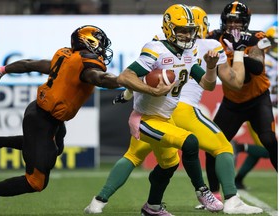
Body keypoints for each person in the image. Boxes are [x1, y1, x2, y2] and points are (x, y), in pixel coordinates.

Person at [85, 5, 262, 215]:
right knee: (201, 143)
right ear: (169, 29)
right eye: (182, 30)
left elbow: (208, 85)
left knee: (164, 163)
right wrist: (150, 89)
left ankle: (127, 205)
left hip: (165, 117)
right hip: (148, 118)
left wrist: (211, 66)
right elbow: (126, 77)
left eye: (190, 30)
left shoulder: (190, 52)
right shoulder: (156, 48)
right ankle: (208, 192)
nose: (188, 35)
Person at [0, 25, 122, 196]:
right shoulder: (84, 65)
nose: (102, 49)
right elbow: (100, 78)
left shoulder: (66, 56)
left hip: (43, 114)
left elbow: (30, 64)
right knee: (35, 182)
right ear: (88, 41)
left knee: (54, 148)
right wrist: (122, 80)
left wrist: (2, 70)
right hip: (41, 121)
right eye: (100, 43)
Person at [204, 0, 278, 200]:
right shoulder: (213, 38)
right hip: (232, 103)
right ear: (223, 21)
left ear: (246, 22)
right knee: (213, 146)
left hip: (257, 100)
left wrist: (239, 50)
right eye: (230, 21)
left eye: (238, 21)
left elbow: (257, 67)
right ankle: (213, 194)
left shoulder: (257, 38)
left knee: (270, 141)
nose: (233, 25)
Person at [230, 25, 278, 190]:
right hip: (260, 105)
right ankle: (239, 147)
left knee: (267, 145)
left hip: (271, 106)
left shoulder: (267, 58)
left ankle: (238, 180)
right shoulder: (262, 58)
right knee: (269, 147)